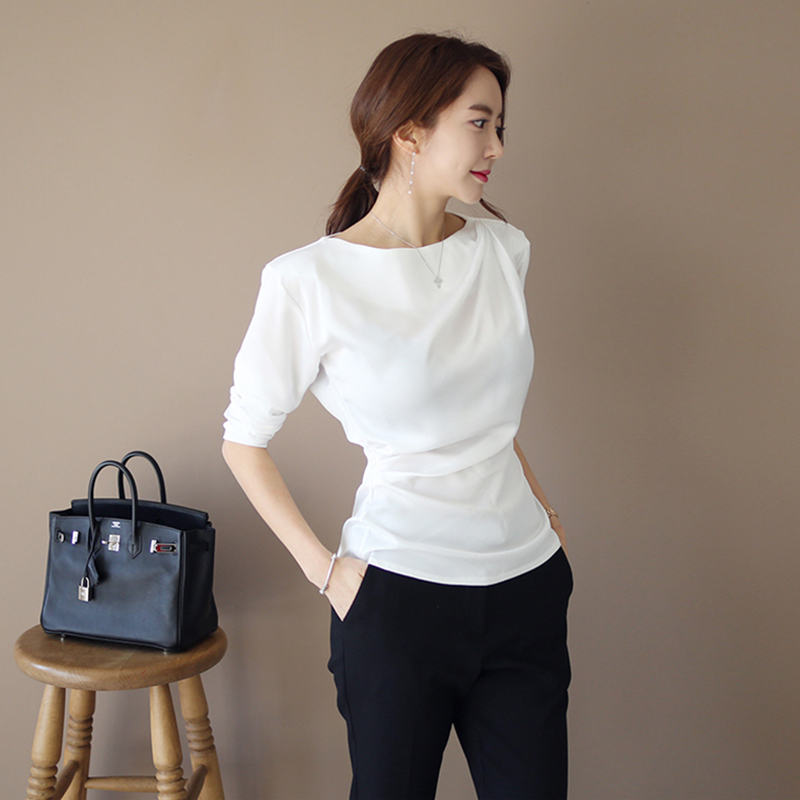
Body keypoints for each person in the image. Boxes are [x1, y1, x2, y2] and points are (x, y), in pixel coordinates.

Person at [222, 32, 573, 800]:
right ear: (410, 133)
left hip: (526, 588)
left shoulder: (503, 250)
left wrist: (543, 510)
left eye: (500, 126)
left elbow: (488, 417)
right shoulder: (309, 282)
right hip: (398, 601)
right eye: (479, 123)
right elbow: (243, 441)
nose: (497, 147)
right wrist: (327, 573)